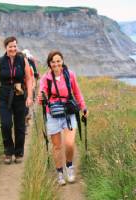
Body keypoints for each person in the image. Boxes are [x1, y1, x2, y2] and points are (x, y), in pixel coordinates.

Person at [38, 51, 88, 185]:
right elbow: (41, 97)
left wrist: (83, 107)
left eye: (58, 61)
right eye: (53, 62)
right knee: (57, 146)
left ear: (62, 61)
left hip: (69, 113)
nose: (56, 64)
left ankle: (69, 167)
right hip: (52, 114)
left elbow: (76, 92)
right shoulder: (45, 78)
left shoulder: (70, 75)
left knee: (69, 144)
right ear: (49, 64)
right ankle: (60, 173)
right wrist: (41, 97)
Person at [0, 36, 33, 164]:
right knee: (6, 124)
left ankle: (19, 152)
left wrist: (30, 96)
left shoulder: (22, 60)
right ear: (6, 48)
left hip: (20, 95)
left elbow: (29, 78)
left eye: (15, 46)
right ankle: (8, 152)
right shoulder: (0, 62)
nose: (13, 48)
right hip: (4, 96)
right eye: (10, 46)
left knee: (20, 125)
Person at [22, 49, 39, 126]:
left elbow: (34, 74)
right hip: (23, 87)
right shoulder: (29, 61)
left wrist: (33, 85)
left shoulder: (30, 62)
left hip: (28, 85)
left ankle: (26, 118)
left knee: (27, 103)